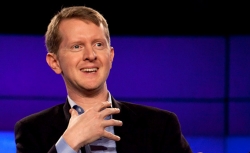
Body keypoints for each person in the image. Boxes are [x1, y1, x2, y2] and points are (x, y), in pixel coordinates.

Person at [14, 6, 192, 153]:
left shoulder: (160, 125)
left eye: (98, 45)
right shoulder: (32, 130)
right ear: (55, 62)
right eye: (77, 46)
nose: (90, 55)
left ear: (111, 55)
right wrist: (69, 143)